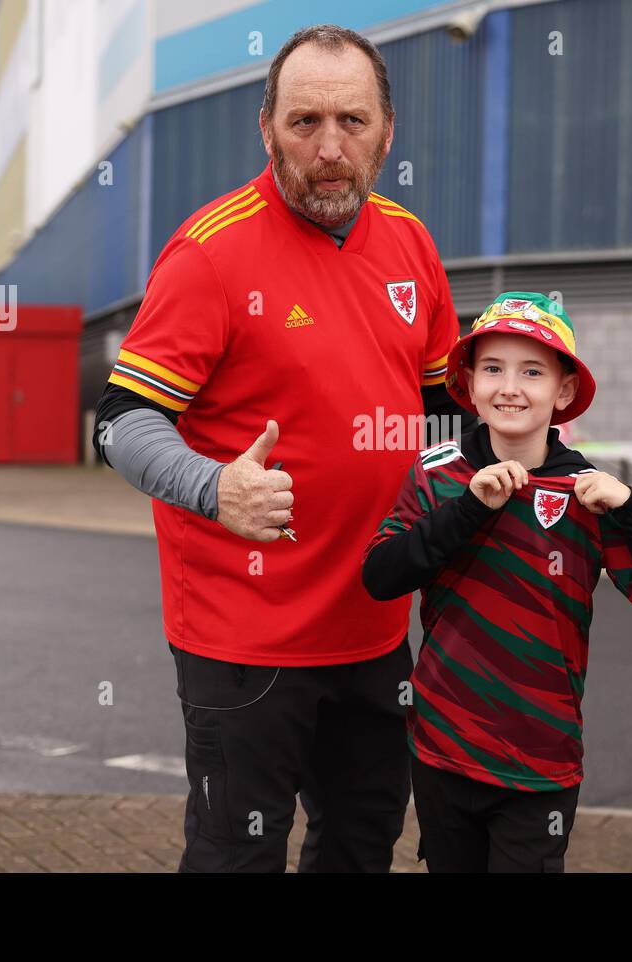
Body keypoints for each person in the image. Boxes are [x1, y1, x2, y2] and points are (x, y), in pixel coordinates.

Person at [90, 24, 474, 872]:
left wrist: (538, 447)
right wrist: (212, 485)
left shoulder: (410, 241)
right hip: (244, 639)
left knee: (361, 844)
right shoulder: (210, 253)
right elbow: (119, 422)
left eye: (352, 121)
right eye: (305, 123)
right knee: (236, 857)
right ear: (265, 129)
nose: (330, 149)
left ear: (388, 130)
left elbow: (446, 402)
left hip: (377, 626)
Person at [362, 292, 632, 872]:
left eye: (532, 371)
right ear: (469, 385)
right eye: (492, 369)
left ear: (563, 391)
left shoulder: (590, 494)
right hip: (443, 751)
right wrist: (470, 507)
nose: (509, 388)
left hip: (541, 761)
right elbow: (381, 576)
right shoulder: (436, 473)